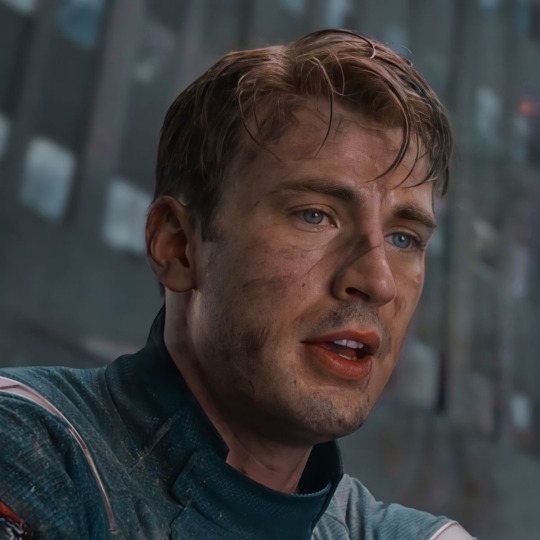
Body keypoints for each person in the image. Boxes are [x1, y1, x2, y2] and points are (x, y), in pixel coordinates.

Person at [0, 29, 474, 539]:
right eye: (315, 215)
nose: (378, 281)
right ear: (178, 246)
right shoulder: (31, 448)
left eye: (404, 238)